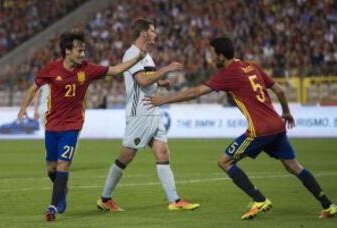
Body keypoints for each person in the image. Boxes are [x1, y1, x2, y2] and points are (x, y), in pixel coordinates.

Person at [144, 37, 336, 220]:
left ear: (220, 56)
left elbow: (195, 92)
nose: (212, 59)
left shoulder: (228, 74)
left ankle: (259, 199)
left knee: (225, 162)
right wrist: (286, 112)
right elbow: (280, 90)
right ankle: (328, 205)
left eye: (213, 54)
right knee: (294, 166)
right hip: (277, 125)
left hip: (259, 130)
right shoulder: (253, 66)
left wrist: (164, 100)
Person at [18, 31, 149, 221]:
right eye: (79, 51)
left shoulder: (87, 69)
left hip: (72, 126)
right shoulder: (51, 69)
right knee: (51, 169)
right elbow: (33, 88)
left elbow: (115, 70)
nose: (83, 54)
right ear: (67, 51)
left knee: (64, 164)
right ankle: (62, 189)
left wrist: (138, 57)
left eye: (84, 50)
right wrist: (23, 108)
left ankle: (53, 207)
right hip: (52, 126)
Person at [96, 18, 200, 212]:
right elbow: (142, 81)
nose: (155, 33)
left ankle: (175, 201)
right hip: (140, 113)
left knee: (162, 153)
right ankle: (105, 198)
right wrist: (166, 70)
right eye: (152, 30)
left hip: (152, 110)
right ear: (143, 33)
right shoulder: (132, 53)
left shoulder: (147, 56)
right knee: (126, 156)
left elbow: (147, 81)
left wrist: (159, 83)